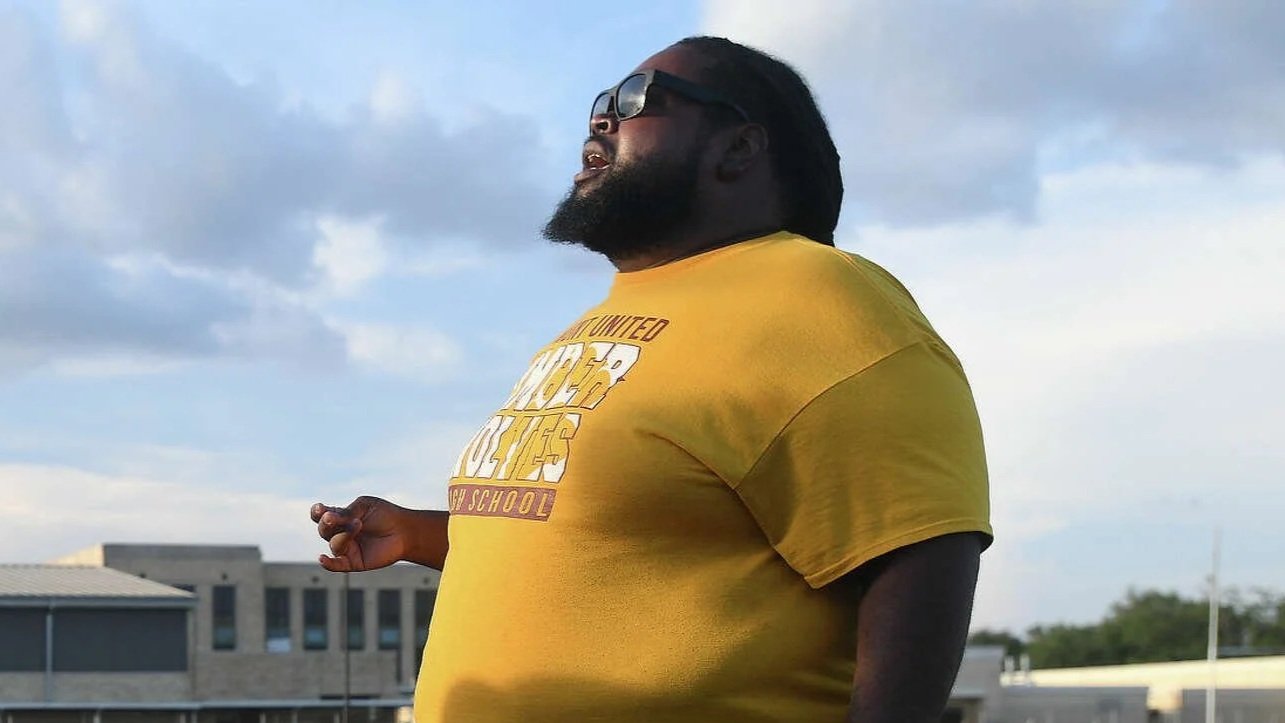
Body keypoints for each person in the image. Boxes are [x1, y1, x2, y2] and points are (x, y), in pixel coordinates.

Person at [312, 36, 992, 723]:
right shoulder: (602, 321)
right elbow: (613, 539)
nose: (601, 118)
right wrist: (421, 535)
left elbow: (920, 550)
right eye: (601, 100)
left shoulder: (819, 295)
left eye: (637, 99)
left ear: (738, 148)